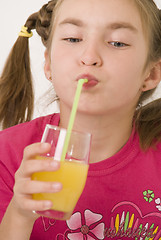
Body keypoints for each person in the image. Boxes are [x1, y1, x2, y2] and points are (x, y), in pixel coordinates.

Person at [0, 0, 161, 239]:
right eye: (73, 39)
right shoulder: (6, 154)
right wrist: (20, 215)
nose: (89, 57)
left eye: (117, 42)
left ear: (151, 74)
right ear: (48, 64)